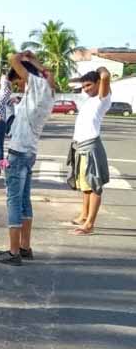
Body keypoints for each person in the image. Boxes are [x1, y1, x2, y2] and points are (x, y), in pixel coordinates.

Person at [0, 51, 55, 265]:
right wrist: (34, 61)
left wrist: (24, 57)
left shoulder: (36, 86)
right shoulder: (48, 91)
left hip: (19, 152)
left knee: (14, 201)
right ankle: (25, 247)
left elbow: (12, 58)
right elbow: (49, 75)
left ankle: (13, 252)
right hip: (29, 152)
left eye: (18, 80)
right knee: (24, 201)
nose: (18, 85)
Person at [66, 68, 112, 235]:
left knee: (94, 186)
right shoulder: (90, 100)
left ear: (98, 83)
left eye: (88, 85)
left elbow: (105, 75)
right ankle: (84, 216)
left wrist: (98, 71)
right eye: (83, 86)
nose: (85, 89)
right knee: (85, 186)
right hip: (80, 146)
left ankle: (89, 224)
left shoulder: (103, 98)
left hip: (91, 147)